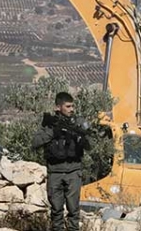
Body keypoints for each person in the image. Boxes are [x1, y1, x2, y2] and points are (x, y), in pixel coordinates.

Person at [32, 92, 91, 231]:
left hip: (73, 171)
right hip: (55, 172)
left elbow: (89, 145)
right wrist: (54, 132)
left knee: (73, 210)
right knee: (56, 210)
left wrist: (79, 136)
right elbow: (35, 142)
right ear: (58, 107)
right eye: (68, 106)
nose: (72, 109)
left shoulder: (77, 122)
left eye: (72, 106)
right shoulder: (50, 125)